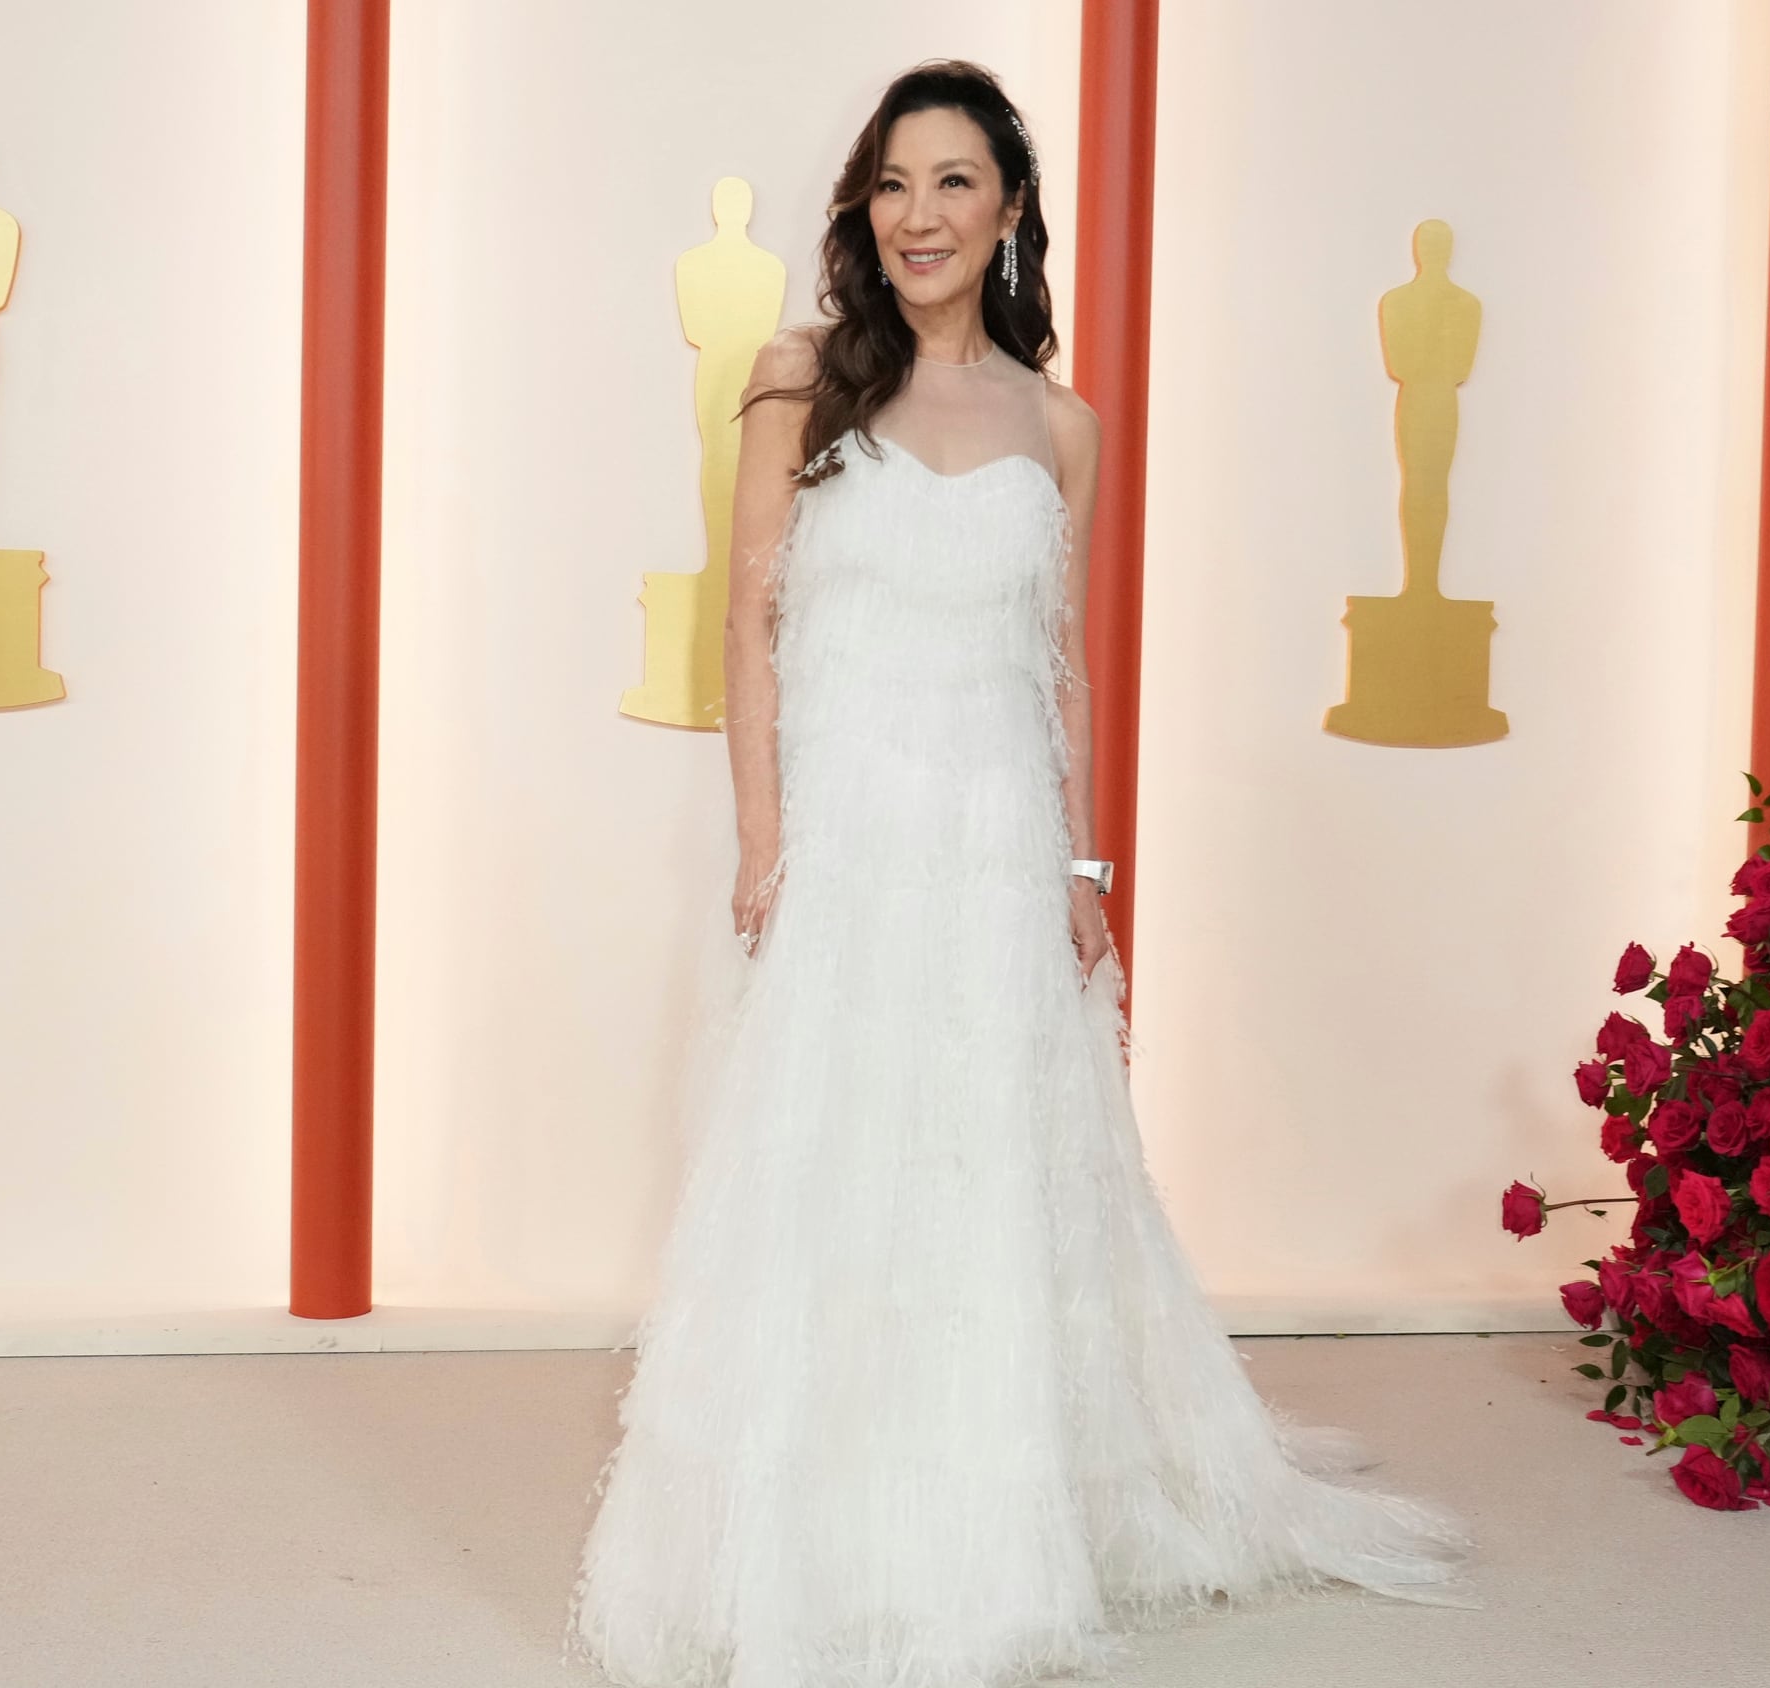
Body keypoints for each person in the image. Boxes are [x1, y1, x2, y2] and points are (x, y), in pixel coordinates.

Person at [568, 60, 1473, 1688]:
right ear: (864, 209)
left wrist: (1078, 863)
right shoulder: (798, 384)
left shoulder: (1064, 424)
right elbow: (748, 627)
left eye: (954, 184)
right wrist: (766, 838)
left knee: (985, 1176)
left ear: (1008, 216)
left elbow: (1057, 664)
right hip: (848, 844)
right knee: (834, 1167)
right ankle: (817, 1532)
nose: (920, 215)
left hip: (991, 846)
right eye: (895, 184)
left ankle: (984, 1530)